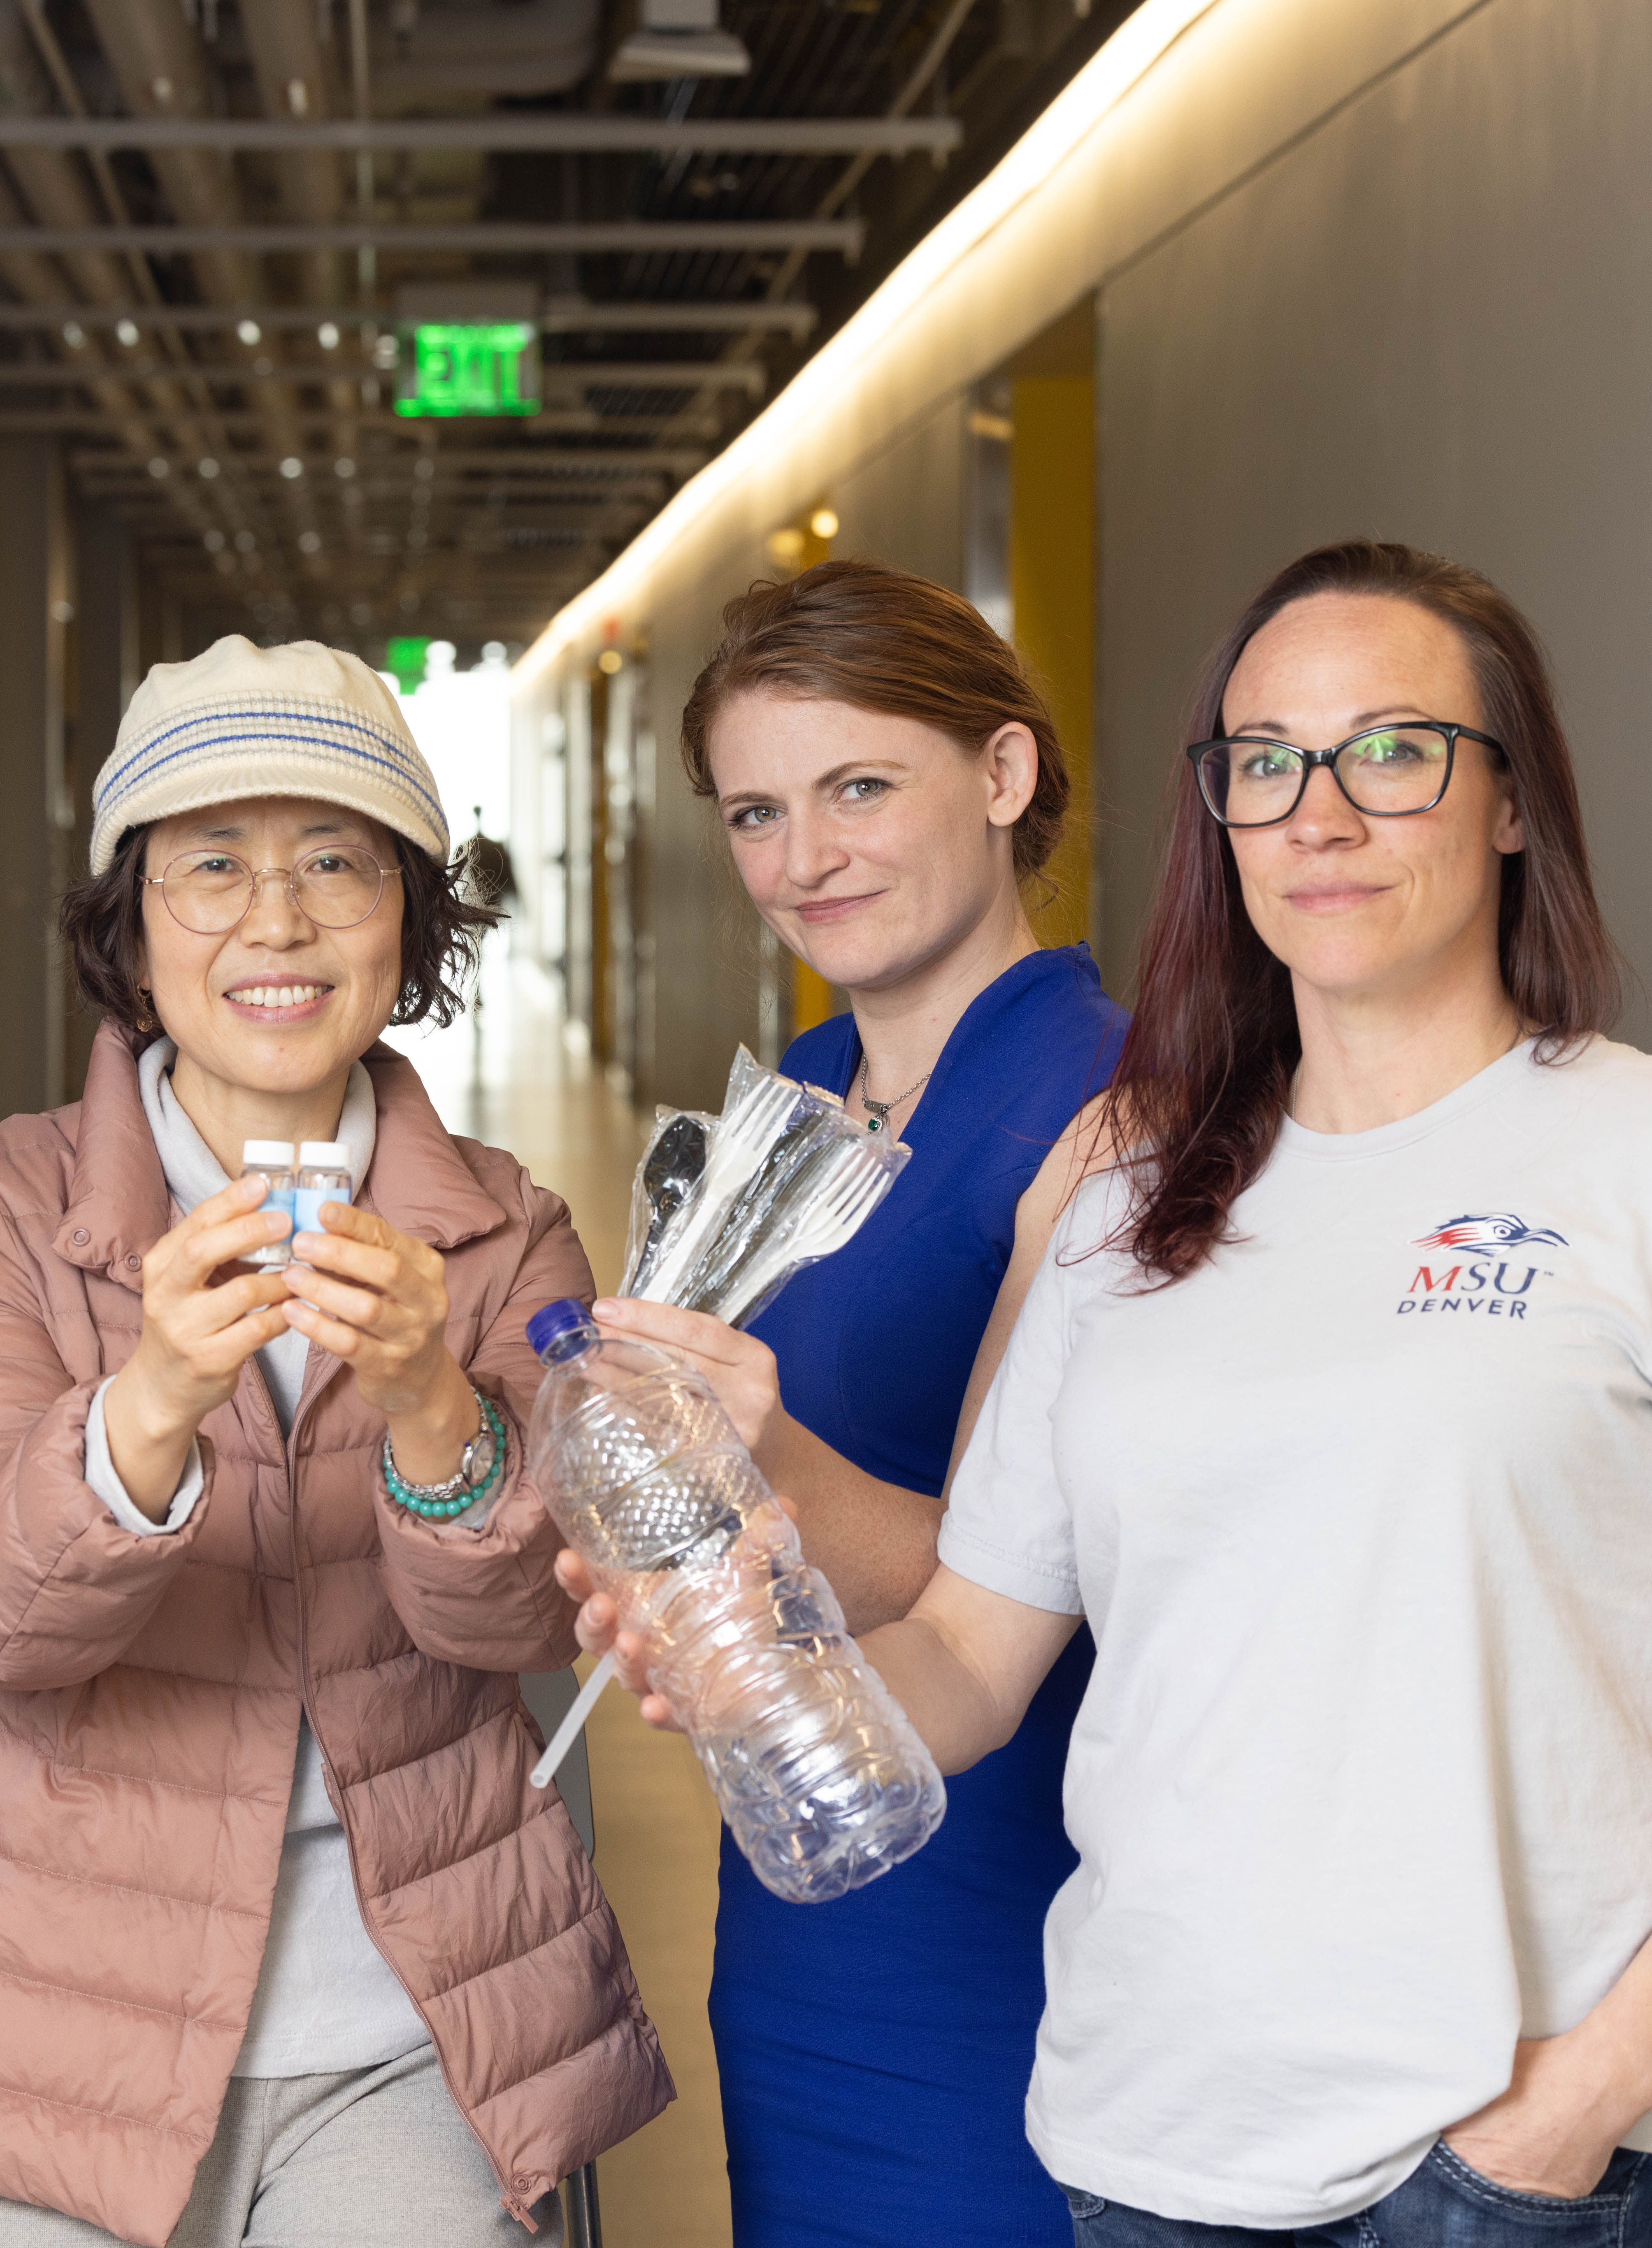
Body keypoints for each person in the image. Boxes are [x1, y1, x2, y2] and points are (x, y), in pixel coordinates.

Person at [579, 540, 1652, 2243]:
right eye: (1264, 764)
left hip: (1482, 2160)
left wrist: (1588, 2099)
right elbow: (960, 1666)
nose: (1318, 814)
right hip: (1138, 2139)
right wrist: (734, 1649)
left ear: (1510, 802)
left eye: (1390, 750)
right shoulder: (1123, 1196)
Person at [0, 637, 671, 2248]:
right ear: (129, 926)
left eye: (333, 865)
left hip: (415, 2031)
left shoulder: (502, 1232)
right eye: (210, 865)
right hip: (28, 2025)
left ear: (408, 920)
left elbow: (531, 1621)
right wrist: (143, 1405)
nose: (273, 920)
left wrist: (433, 1401)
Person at [582, 559, 1124, 2246]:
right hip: (801, 1884)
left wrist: (758, 1462)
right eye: (755, 812)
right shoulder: (799, 1091)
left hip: (1005, 1921)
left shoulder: (1112, 1105)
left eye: (857, 788)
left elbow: (1049, 1584)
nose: (800, 860)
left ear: (1004, 773)